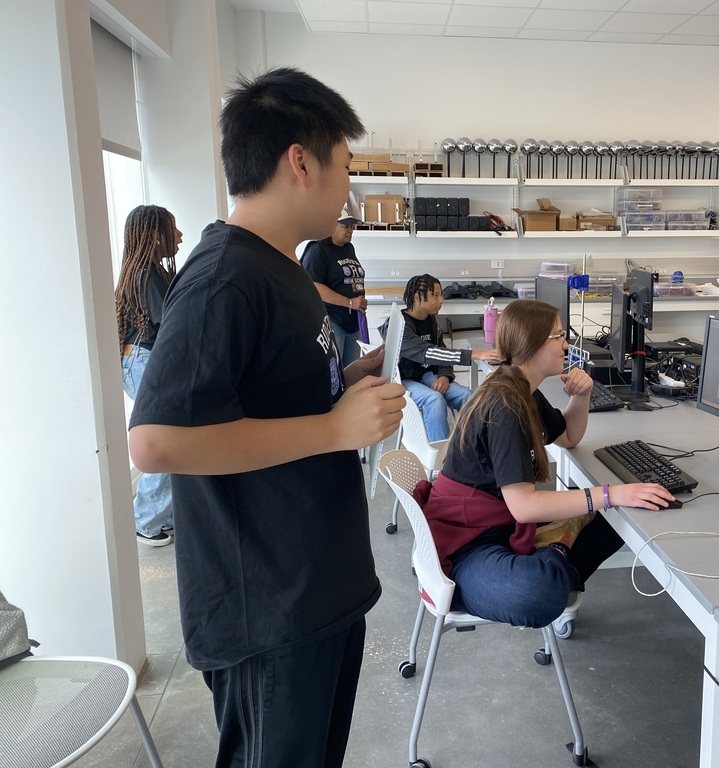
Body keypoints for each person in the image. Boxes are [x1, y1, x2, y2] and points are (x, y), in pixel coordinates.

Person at [127, 67, 406, 768]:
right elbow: (156, 441)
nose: (349, 189)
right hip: (268, 606)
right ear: (301, 161)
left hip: (314, 587)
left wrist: (349, 383)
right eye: (345, 167)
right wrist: (335, 429)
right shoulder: (226, 276)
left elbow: (267, 395)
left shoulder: (279, 265)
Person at [420, 299, 676, 628]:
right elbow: (525, 508)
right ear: (532, 344)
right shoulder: (505, 406)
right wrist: (609, 494)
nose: (566, 344)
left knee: (626, 519)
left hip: (500, 525)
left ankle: (554, 549)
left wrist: (580, 396)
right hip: (468, 543)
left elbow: (568, 436)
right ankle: (556, 547)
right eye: (558, 336)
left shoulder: (522, 388)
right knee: (537, 593)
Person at [115, 205, 181, 547]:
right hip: (143, 362)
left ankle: (160, 515)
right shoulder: (147, 276)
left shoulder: (148, 272)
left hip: (141, 360)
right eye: (173, 228)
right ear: (156, 235)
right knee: (163, 441)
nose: (180, 236)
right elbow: (172, 325)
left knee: (168, 439)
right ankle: (145, 520)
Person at [380, 274, 501, 442]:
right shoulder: (398, 325)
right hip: (403, 381)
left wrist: (445, 375)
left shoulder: (431, 321)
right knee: (434, 399)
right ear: (417, 298)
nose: (441, 300)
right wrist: (475, 354)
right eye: (435, 295)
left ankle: (474, 447)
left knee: (467, 395)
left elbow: (441, 350)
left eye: (441, 294)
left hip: (427, 376)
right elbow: (428, 352)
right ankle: (441, 461)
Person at [301, 214, 366, 367]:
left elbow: (354, 278)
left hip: (352, 321)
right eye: (346, 226)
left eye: (352, 226)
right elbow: (314, 286)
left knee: (352, 371)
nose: (351, 230)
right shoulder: (318, 250)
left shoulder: (349, 248)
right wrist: (350, 302)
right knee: (334, 371)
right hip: (333, 320)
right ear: (331, 226)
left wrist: (359, 300)